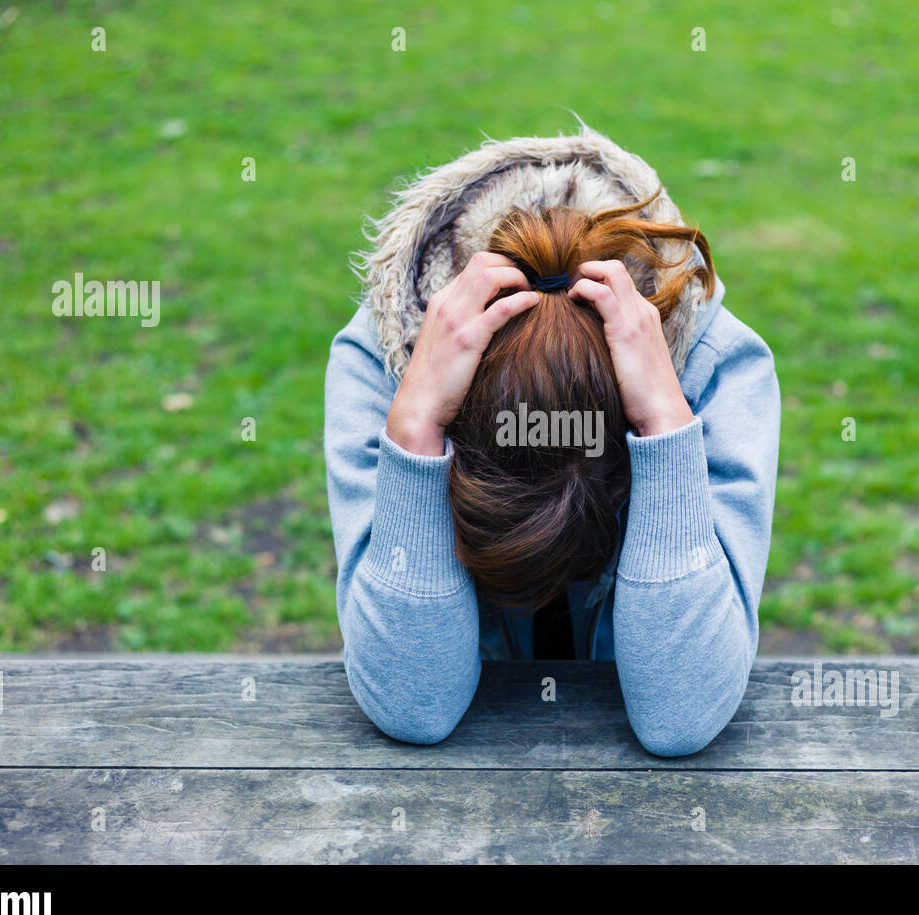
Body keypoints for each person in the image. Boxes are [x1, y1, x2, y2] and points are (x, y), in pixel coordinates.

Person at [324, 124, 780, 756]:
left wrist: (666, 425)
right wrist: (415, 430)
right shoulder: (386, 363)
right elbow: (413, 702)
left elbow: (681, 714)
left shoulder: (714, 365)